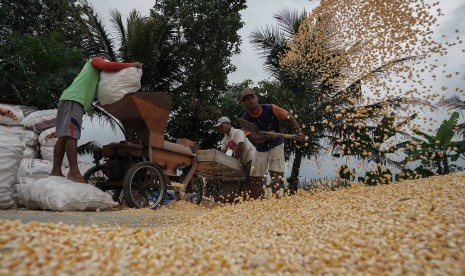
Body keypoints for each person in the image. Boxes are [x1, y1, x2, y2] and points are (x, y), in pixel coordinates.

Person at [50, 52, 142, 183]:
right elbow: (107, 66)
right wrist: (130, 65)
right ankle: (74, 172)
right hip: (74, 100)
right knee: (71, 135)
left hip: (68, 99)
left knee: (64, 136)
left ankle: (56, 171)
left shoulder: (93, 76)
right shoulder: (95, 60)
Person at [240, 87, 305, 199]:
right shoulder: (245, 120)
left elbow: (289, 116)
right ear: (244, 103)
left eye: (252, 97)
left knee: (276, 171)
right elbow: (253, 138)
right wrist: (266, 136)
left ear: (256, 97)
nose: (250, 100)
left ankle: (277, 199)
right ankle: (256, 201)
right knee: (254, 176)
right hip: (261, 147)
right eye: (247, 99)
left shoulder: (271, 108)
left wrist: (298, 132)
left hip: (277, 144)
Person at [215, 116, 256, 199]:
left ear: (228, 124)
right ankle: (250, 198)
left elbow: (241, 146)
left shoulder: (237, 132)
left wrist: (233, 159)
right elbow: (223, 152)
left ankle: (256, 199)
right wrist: (216, 158)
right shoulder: (225, 139)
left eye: (221, 126)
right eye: (219, 127)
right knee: (247, 179)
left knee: (251, 179)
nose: (220, 128)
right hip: (243, 160)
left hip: (251, 156)